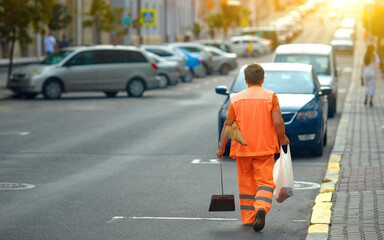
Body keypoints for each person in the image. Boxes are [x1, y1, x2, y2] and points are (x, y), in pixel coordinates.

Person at [216, 63, 289, 232]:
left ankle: (249, 218)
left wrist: (221, 148)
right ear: (262, 79)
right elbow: (277, 121)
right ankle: (261, 207)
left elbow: (228, 125)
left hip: (242, 150)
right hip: (264, 148)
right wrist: (282, 137)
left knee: (246, 184)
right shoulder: (270, 96)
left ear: (245, 79)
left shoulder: (236, 99)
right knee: (265, 182)